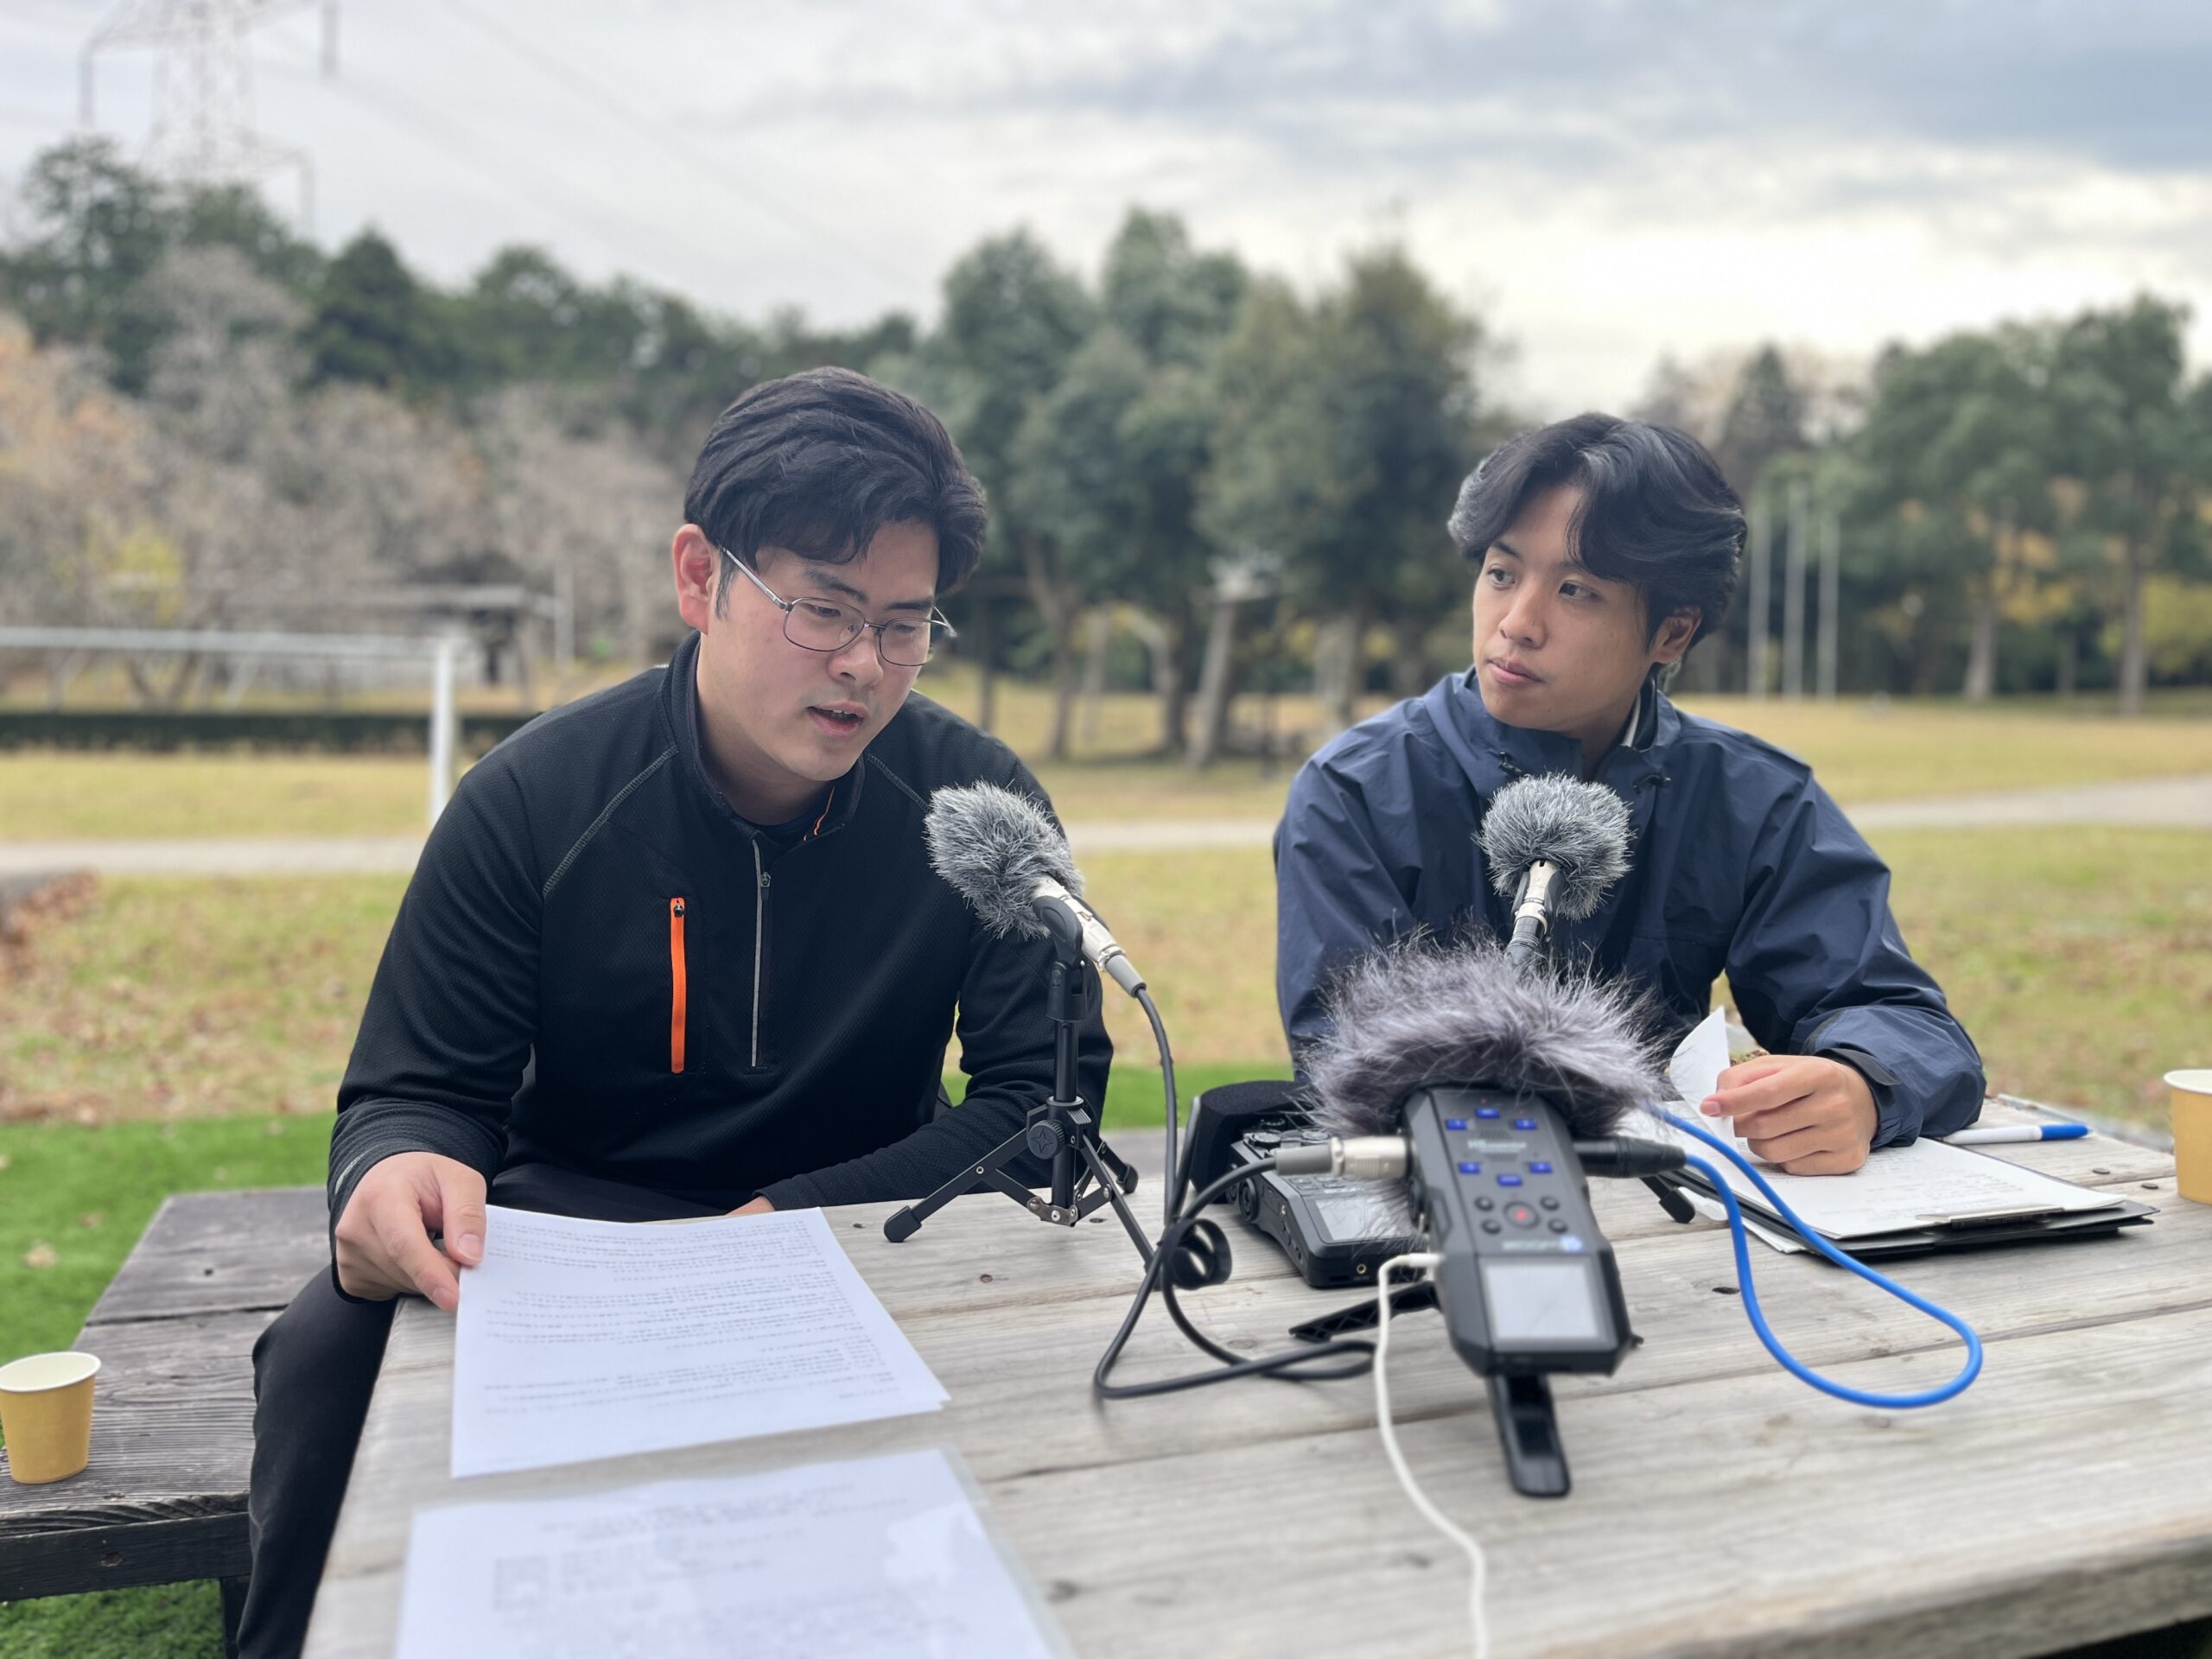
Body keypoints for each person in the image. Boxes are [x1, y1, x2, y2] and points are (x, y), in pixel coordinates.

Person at [238, 367, 1110, 1656]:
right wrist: (394, 1168)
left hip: (863, 1221)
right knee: (325, 1343)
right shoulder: (534, 799)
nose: (863, 665)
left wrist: (792, 1224)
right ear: (701, 578)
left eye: (905, 625)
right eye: (824, 608)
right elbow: (417, 1091)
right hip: (574, 1233)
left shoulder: (975, 801)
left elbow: (1049, 1102)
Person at [1274, 413, 1982, 1173]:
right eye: (1502, 573)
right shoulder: (1356, 793)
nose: (1516, 623)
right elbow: (1350, 1061)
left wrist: (1862, 1085)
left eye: (1575, 590)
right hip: (1444, 1211)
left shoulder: (1753, 799)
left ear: (1671, 634)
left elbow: (1903, 1021)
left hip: (1681, 1208)